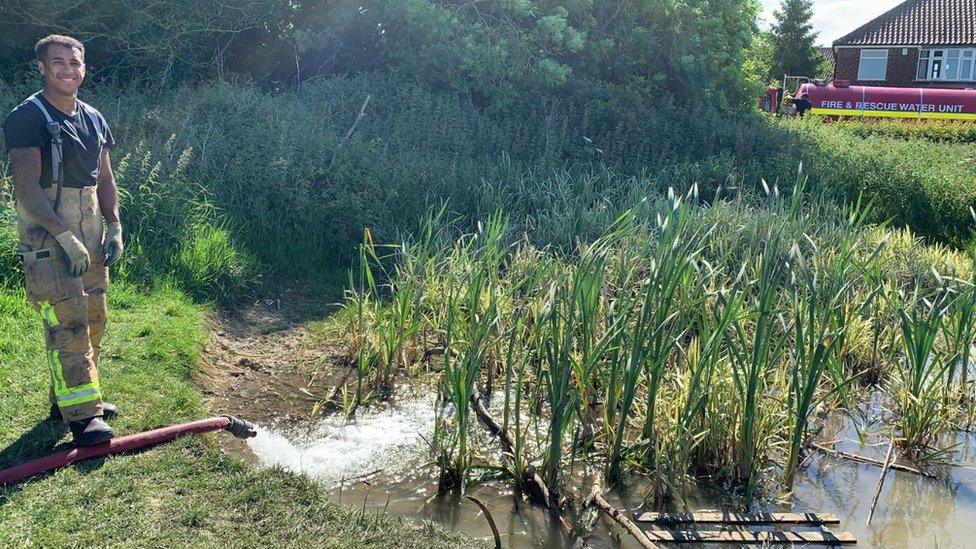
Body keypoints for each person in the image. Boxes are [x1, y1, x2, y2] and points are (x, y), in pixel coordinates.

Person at [3, 35, 123, 446]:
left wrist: (115, 225)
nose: (67, 69)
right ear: (41, 67)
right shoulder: (27, 117)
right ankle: (83, 419)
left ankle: (71, 398)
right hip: (48, 231)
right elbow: (27, 190)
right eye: (58, 62)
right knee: (66, 321)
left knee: (93, 317)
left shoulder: (93, 117)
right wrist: (64, 236)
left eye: (74, 61)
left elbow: (105, 179)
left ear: (84, 67)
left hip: (90, 229)